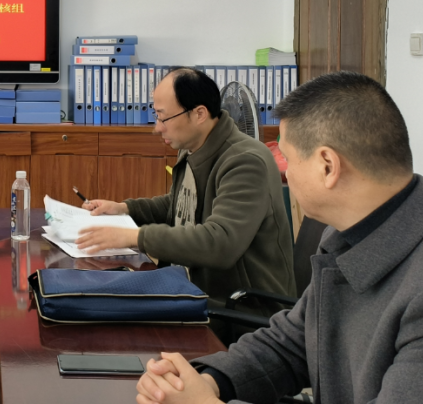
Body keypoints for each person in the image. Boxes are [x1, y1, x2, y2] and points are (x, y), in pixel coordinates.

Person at [135, 72, 423, 404]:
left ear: (327, 166)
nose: (283, 172)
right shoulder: (352, 228)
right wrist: (210, 382)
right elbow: (293, 342)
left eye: (287, 159)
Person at [77, 67, 295, 310]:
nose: (157, 127)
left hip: (239, 309)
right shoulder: (193, 145)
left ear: (199, 114)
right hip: (192, 288)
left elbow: (220, 243)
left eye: (164, 117)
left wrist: (134, 237)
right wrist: (124, 209)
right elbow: (179, 204)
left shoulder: (246, 161)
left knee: (108, 310)